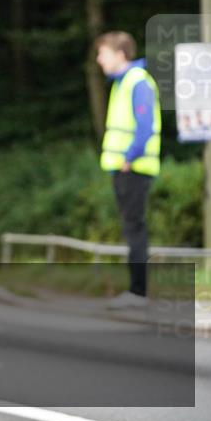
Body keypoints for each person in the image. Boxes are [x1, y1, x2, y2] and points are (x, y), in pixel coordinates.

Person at [95, 32, 160, 309]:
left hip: (133, 168)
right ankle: (136, 291)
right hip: (127, 169)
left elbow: (144, 127)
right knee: (132, 228)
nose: (99, 59)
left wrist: (128, 158)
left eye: (103, 53)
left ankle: (138, 292)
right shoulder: (122, 83)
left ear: (120, 54)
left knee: (135, 230)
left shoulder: (136, 82)